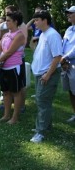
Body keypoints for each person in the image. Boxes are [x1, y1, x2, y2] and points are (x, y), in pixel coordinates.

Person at [30, 10, 62, 143]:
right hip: (40, 73)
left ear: (45, 20)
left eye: (37, 20)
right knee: (42, 100)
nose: (35, 23)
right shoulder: (43, 34)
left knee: (42, 101)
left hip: (48, 74)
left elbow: (57, 57)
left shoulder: (52, 35)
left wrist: (48, 74)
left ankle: (40, 132)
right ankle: (46, 126)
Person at [0, 11, 25, 124]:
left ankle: (15, 117)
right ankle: (6, 115)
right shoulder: (6, 35)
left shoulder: (20, 35)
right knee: (5, 92)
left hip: (14, 67)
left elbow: (9, 52)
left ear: (15, 22)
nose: (6, 23)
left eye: (8, 20)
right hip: (3, 67)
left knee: (16, 93)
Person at [61, 6, 75, 123]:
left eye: (71, 13)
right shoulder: (68, 30)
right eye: (68, 13)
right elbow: (63, 44)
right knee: (70, 90)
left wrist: (64, 58)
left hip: (73, 64)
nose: (68, 15)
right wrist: (62, 59)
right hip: (66, 65)